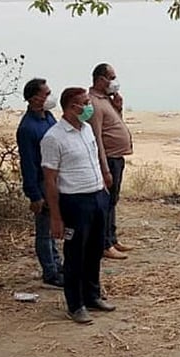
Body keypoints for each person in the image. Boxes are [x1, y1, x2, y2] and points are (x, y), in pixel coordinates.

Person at [41, 87, 116, 324]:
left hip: (96, 197)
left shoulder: (87, 130)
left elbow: (94, 158)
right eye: (85, 103)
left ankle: (92, 295)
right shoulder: (54, 138)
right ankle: (75, 304)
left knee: (95, 250)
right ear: (73, 107)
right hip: (74, 202)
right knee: (75, 255)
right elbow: (50, 180)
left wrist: (103, 182)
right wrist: (55, 217)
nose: (89, 106)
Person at [16, 78, 63, 288]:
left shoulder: (49, 117)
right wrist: (34, 195)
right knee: (44, 230)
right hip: (42, 184)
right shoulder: (27, 128)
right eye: (46, 93)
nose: (50, 97)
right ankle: (50, 272)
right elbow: (28, 163)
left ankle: (57, 264)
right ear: (35, 98)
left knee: (55, 227)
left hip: (57, 180)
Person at [87, 63, 134, 260]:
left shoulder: (106, 100)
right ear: (101, 79)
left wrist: (119, 108)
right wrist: (104, 167)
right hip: (108, 159)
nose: (114, 82)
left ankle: (112, 238)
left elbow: (115, 123)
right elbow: (97, 136)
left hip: (117, 157)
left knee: (113, 200)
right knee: (105, 202)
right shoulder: (94, 103)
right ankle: (104, 244)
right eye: (111, 77)